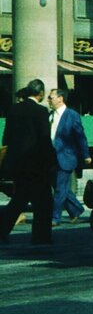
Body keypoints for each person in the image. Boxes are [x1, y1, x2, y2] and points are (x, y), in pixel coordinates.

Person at [0, 80, 57, 244]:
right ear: (41, 94)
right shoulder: (41, 111)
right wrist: (51, 161)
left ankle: (2, 230)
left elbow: (7, 138)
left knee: (18, 200)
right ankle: (41, 236)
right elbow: (45, 140)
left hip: (18, 165)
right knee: (44, 202)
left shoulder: (14, 110)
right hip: (36, 165)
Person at [48, 87, 91, 225]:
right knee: (60, 187)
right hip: (52, 158)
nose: (49, 100)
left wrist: (86, 155)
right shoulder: (50, 115)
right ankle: (77, 209)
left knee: (60, 189)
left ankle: (55, 217)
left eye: (51, 97)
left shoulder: (71, 115)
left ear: (60, 99)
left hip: (66, 157)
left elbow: (80, 136)